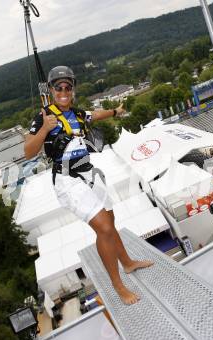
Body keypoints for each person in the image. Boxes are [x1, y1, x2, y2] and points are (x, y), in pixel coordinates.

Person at [24, 66, 152, 305]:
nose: (63, 91)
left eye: (68, 87)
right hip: (67, 180)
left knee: (111, 224)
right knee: (103, 229)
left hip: (89, 174)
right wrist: (44, 129)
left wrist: (116, 110)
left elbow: (96, 114)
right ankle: (118, 287)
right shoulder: (44, 117)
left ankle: (128, 263)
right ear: (51, 90)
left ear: (73, 90)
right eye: (58, 87)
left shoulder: (78, 114)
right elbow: (28, 152)